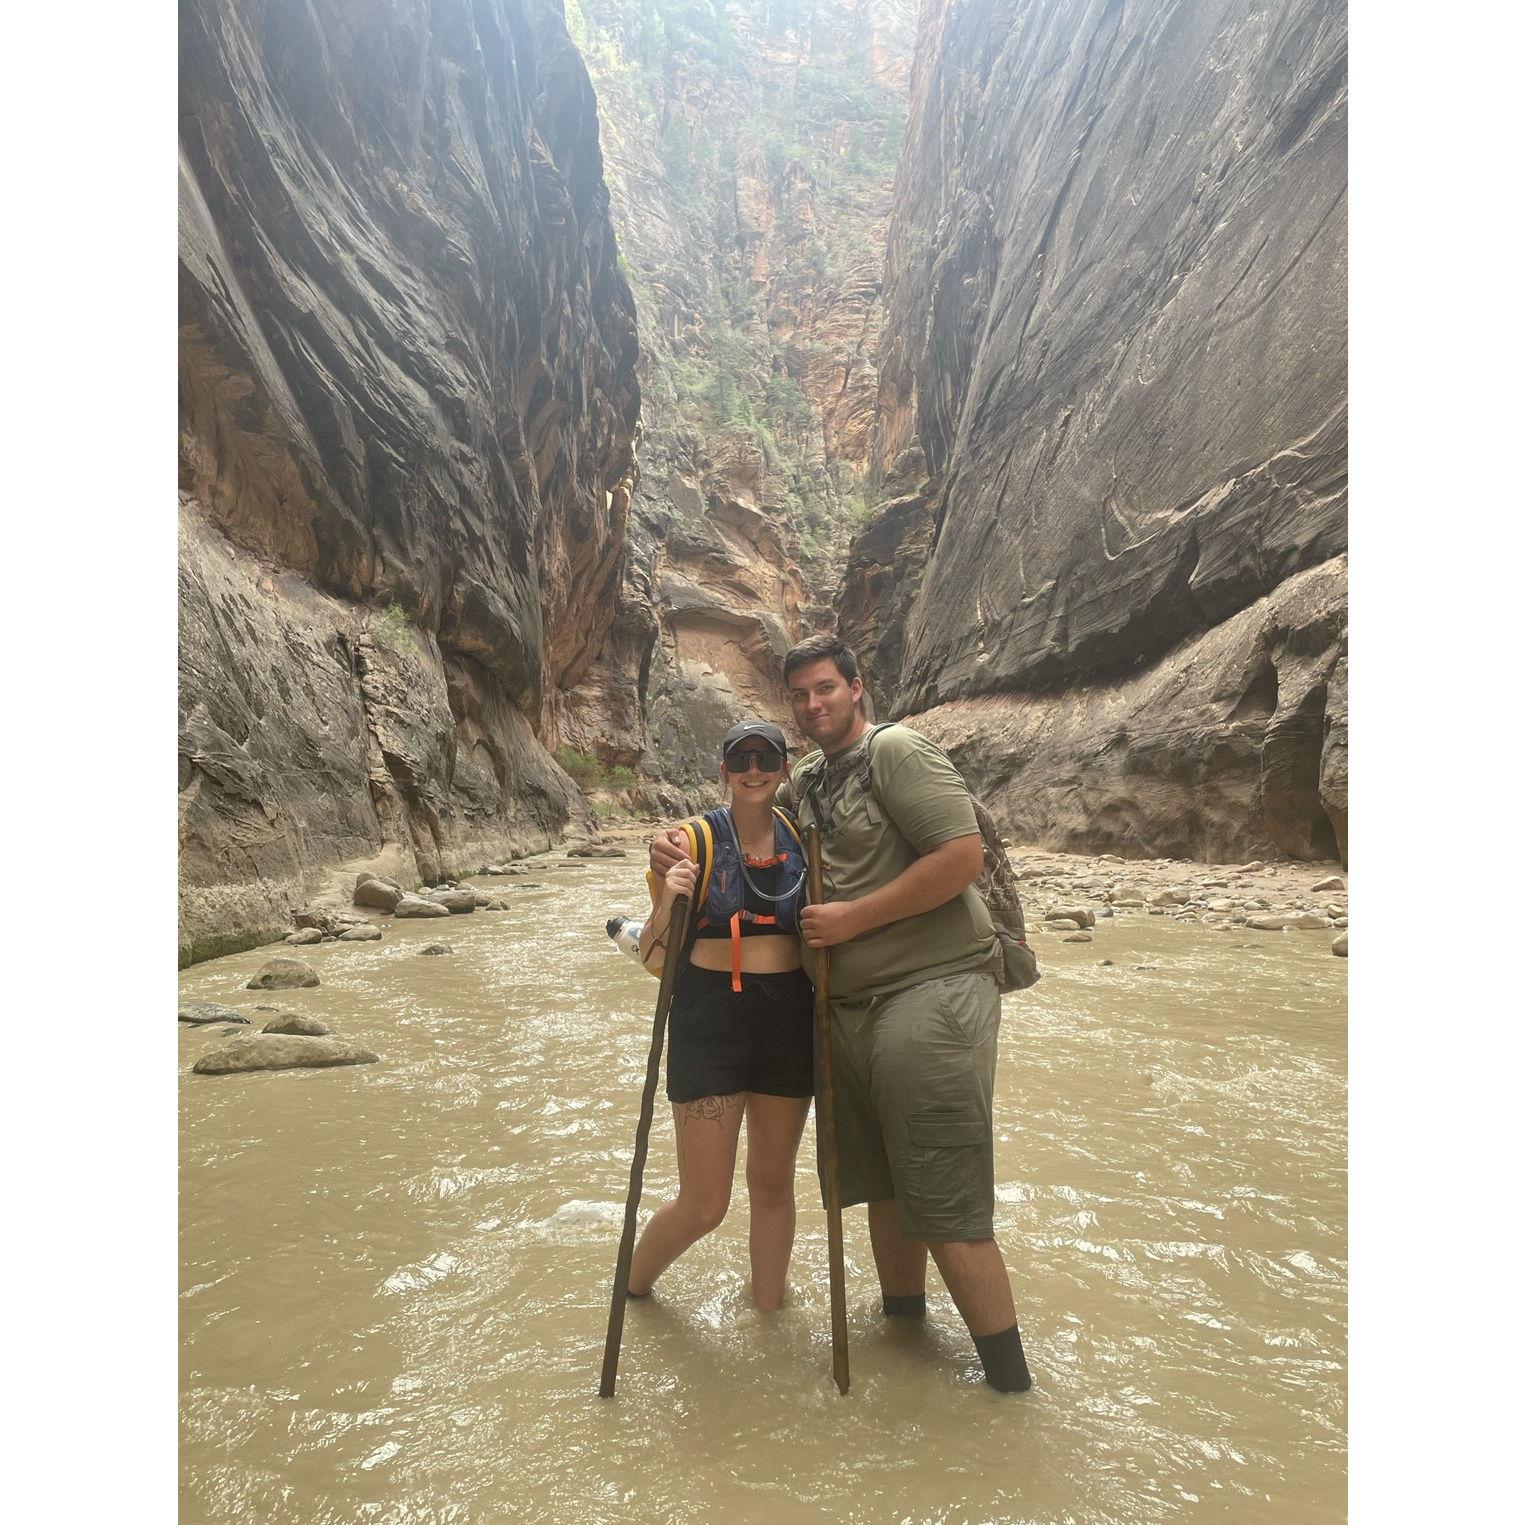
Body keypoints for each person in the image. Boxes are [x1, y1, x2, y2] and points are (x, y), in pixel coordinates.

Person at [650, 636, 1032, 1392]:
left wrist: (853, 919)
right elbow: (745, 828)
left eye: (825, 688)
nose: (812, 703)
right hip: (849, 1010)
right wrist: (665, 846)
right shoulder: (811, 784)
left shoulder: (899, 753)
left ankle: (1009, 1387)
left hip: (931, 986)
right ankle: (905, 1330)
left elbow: (959, 857)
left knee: (941, 1185)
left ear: (858, 687)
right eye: (799, 695)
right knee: (885, 1179)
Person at [629, 721, 815, 1311]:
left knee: (772, 1185)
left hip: (789, 1018)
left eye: (767, 758)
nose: (754, 769)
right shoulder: (689, 842)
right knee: (706, 1203)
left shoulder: (804, 841)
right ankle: (631, 1288)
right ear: (724, 771)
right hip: (710, 1017)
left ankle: (769, 1315)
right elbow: (654, 956)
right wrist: (669, 897)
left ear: (786, 768)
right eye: (742, 758)